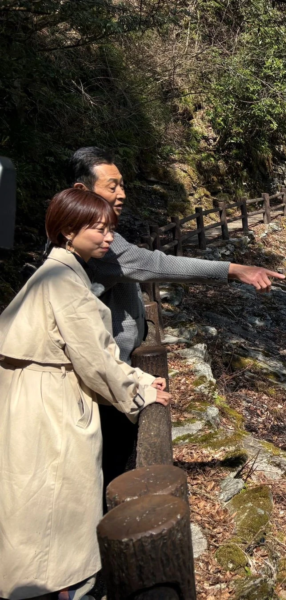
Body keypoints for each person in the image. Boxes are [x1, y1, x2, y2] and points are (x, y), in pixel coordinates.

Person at [66, 147, 285, 484]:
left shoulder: (75, 231)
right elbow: (158, 264)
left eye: (122, 185)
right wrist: (235, 270)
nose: (121, 194)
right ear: (82, 191)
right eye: (112, 187)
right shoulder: (96, 244)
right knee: (111, 471)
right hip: (105, 387)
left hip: (106, 378)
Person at [0, 189, 171, 600]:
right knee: (57, 504)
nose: (108, 238)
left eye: (110, 228)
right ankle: (60, 587)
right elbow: (95, 359)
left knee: (32, 501)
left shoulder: (55, 273)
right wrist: (142, 390)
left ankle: (40, 583)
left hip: (31, 397)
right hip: (51, 404)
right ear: (67, 231)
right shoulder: (64, 282)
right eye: (98, 229)